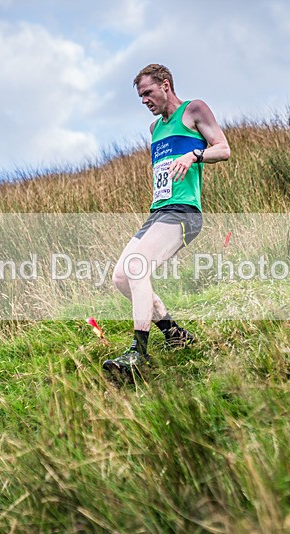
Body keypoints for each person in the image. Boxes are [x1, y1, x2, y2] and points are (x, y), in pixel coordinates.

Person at [103, 63, 231, 383]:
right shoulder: (154, 129)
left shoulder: (193, 110)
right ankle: (174, 335)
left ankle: (138, 353)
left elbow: (224, 149)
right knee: (121, 278)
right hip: (157, 211)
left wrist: (194, 156)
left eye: (147, 92)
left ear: (165, 84)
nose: (144, 100)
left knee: (137, 268)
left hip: (183, 211)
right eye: (140, 96)